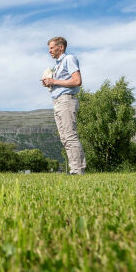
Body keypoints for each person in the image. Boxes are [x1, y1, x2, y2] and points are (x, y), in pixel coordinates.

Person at [41, 36, 86, 175]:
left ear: (61, 47)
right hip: (58, 101)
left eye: (52, 48)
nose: (50, 51)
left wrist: (54, 81)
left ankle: (78, 170)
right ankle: (74, 169)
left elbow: (77, 81)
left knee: (70, 135)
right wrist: (49, 83)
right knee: (64, 137)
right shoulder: (57, 65)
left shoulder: (69, 59)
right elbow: (60, 81)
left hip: (66, 100)